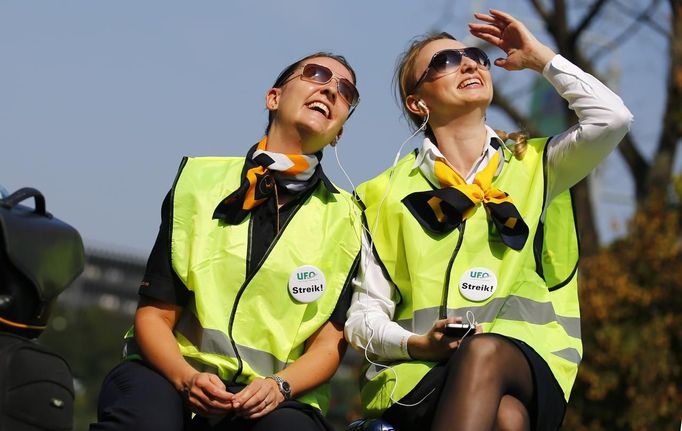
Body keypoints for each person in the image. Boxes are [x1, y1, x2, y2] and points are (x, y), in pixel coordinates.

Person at [345, 9, 632, 431]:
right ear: (417, 101)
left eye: (476, 56)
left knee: (484, 356)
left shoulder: (540, 162)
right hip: (419, 380)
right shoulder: (379, 194)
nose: (468, 63)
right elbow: (362, 321)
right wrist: (419, 344)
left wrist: (540, 58)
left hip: (533, 363)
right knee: (507, 419)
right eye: (444, 61)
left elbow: (613, 118)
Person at [90, 52, 362, 431]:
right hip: (170, 374)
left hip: (279, 398)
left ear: (340, 133)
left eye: (346, 91)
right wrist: (186, 378)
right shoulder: (198, 182)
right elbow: (154, 314)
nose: (331, 89)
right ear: (273, 98)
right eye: (317, 75)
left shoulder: (350, 218)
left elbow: (330, 344)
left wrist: (280, 386)